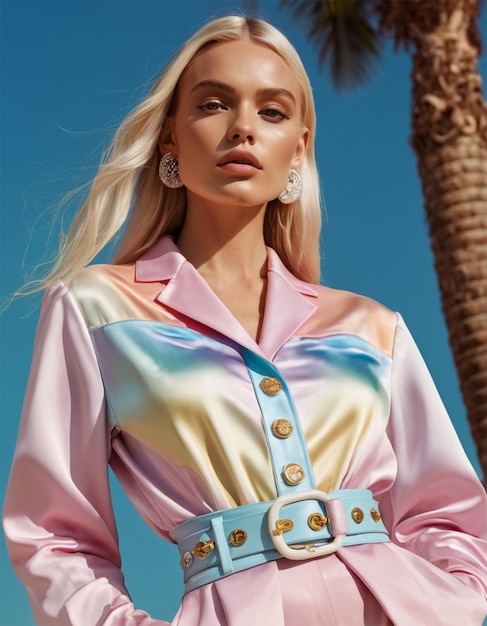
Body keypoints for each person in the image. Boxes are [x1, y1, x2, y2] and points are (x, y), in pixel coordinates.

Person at [3, 14, 487, 626]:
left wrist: (454, 602)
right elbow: (53, 534)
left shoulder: (371, 326)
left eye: (273, 112)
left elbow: (450, 512)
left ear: (299, 148)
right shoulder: (95, 307)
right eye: (212, 104)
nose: (242, 129)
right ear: (170, 138)